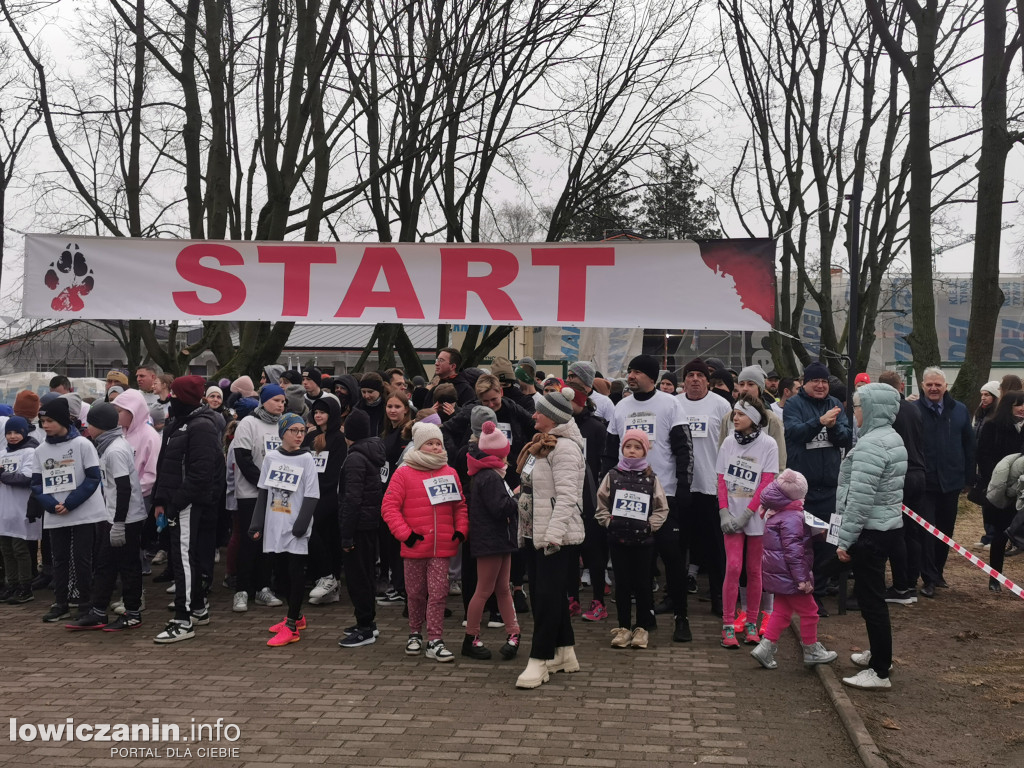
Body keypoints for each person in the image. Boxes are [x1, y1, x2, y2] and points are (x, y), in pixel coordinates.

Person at [602, 354, 693, 643]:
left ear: (651, 377)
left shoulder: (670, 403)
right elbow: (610, 451)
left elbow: (683, 449)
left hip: (662, 494)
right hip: (627, 496)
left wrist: (683, 489)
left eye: (638, 371)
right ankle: (643, 618)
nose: (631, 376)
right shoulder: (621, 406)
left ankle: (682, 617)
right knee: (638, 563)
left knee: (672, 559)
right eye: (630, 370)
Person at [835, 384, 907, 690]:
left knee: (871, 600)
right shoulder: (891, 438)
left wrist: (844, 540)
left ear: (874, 408)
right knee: (871, 598)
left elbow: (859, 500)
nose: (855, 412)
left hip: (870, 533)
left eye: (858, 406)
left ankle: (879, 671)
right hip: (888, 528)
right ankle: (880, 655)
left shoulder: (871, 446)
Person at [514, 387, 586, 688]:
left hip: (553, 536)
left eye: (539, 411)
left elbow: (569, 497)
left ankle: (540, 659)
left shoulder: (566, 448)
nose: (533, 414)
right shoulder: (541, 444)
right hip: (534, 531)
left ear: (553, 417)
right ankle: (565, 652)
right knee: (550, 594)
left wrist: (553, 536)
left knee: (545, 598)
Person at [381, 421, 468, 663]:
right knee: (416, 593)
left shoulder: (449, 472)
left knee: (439, 593)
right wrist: (406, 535)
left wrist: (461, 530)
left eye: (438, 443)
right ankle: (414, 634)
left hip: (442, 547)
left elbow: (459, 506)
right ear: (419, 445)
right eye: (430, 443)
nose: (436, 447)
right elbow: (389, 507)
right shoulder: (404, 472)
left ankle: (435, 640)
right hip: (414, 545)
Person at [151, 375, 226, 644]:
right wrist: (160, 500)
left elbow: (201, 473)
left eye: (174, 393)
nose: (169, 396)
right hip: (175, 502)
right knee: (186, 557)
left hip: (189, 503)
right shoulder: (177, 423)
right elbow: (165, 467)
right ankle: (197, 609)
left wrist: (176, 503)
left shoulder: (201, 426)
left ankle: (183, 620)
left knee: (184, 560)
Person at [65, 404, 147, 631]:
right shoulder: (106, 445)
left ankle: (133, 613)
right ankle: (99, 612)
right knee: (105, 565)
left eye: (89, 423)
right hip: (111, 515)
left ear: (99, 425)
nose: (87, 427)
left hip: (126, 518)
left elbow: (124, 488)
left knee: (128, 566)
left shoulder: (115, 450)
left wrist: (119, 523)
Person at [750, 469, 838, 669]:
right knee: (811, 612)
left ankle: (765, 647)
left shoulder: (777, 513)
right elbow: (794, 552)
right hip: (792, 577)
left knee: (782, 611)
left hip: (780, 576)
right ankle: (811, 649)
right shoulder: (794, 517)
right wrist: (802, 579)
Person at [783, 361, 852, 614]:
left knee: (829, 543)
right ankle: (800, 592)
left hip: (832, 488)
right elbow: (794, 433)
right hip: (803, 491)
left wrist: (833, 428)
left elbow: (846, 437)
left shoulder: (835, 403)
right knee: (802, 544)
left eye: (824, 381)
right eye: (816, 381)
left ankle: (818, 594)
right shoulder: (793, 404)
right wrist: (819, 422)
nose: (821, 385)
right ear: (806, 383)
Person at [31, 398, 106, 623]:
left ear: (63, 420)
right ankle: (60, 602)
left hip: (82, 512)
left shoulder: (83, 444)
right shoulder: (41, 450)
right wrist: (51, 504)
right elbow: (36, 483)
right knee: (59, 559)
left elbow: (93, 477)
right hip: (55, 513)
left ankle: (84, 602)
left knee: (82, 558)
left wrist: (71, 502)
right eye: (42, 421)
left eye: (50, 421)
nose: (45, 426)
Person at [249, 414, 320, 647]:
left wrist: (302, 524)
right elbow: (263, 491)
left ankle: (291, 626)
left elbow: (312, 494)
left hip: (295, 527)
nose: (299, 435)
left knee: (295, 573)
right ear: (283, 433)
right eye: (294, 431)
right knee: (279, 574)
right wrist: (256, 523)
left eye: (302, 430)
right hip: (274, 524)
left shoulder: (307, 459)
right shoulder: (271, 457)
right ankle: (297, 617)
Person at [595, 429, 668, 649]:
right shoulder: (612, 475)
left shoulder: (651, 478)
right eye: (628, 446)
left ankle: (642, 629)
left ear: (645, 450)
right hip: (618, 542)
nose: (632, 451)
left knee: (643, 585)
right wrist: (609, 522)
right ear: (622, 449)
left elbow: (661, 508)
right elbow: (601, 504)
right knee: (622, 585)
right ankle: (624, 627)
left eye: (637, 447)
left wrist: (649, 527)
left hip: (643, 544)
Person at [716, 396, 778, 648]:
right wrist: (723, 511)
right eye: (734, 413)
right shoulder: (729, 442)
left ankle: (752, 622)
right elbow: (720, 478)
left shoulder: (768, 444)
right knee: (733, 567)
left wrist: (747, 514)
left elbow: (767, 482)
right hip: (731, 516)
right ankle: (728, 624)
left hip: (756, 518)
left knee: (754, 571)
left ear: (753, 417)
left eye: (740, 414)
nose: (735, 418)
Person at [675, 357, 733, 619]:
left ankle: (720, 599)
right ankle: (673, 597)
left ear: (708, 381)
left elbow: (731, 444)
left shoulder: (721, 405)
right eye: (690, 375)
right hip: (681, 485)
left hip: (711, 485)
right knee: (677, 545)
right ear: (684, 380)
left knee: (715, 548)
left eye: (700, 375)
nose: (695, 379)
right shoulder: (674, 404)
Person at [462, 421, 521, 660]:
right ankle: (471, 637)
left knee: (502, 589)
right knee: (484, 590)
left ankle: (513, 632)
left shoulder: (488, 475)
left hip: (498, 540)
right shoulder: (490, 477)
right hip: (492, 541)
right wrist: (517, 497)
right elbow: (500, 509)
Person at [915, 367, 974, 598]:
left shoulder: (959, 410)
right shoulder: (914, 411)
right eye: (929, 384)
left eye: (938, 384)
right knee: (927, 533)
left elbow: (969, 445)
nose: (933, 388)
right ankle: (927, 577)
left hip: (951, 482)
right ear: (922, 386)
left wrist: (969, 478)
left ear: (945, 386)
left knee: (945, 531)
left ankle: (938, 572)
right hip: (925, 483)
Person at [230, 384, 288, 613]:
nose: (280, 405)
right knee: (250, 540)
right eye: (276, 400)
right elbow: (243, 460)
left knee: (269, 541)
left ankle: (263, 587)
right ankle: (241, 590)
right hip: (251, 494)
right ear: (264, 401)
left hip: (277, 493)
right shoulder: (248, 424)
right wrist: (264, 483)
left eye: (283, 401)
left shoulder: (283, 424)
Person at [336, 409, 387, 647]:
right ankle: (367, 622)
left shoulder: (356, 457)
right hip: (368, 523)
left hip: (358, 526)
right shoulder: (370, 453)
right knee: (365, 575)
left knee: (359, 577)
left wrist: (346, 535)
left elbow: (352, 499)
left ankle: (365, 626)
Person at [567, 381, 609, 622]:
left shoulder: (596, 428)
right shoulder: (561, 426)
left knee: (594, 552)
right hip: (568, 495)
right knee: (571, 550)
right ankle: (572, 598)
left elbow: (604, 461)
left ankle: (598, 601)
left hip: (592, 497)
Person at [973, 391, 1024, 591]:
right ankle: (995, 577)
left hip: (1022, 489)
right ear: (1007, 407)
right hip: (1000, 490)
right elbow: (983, 455)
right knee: (1000, 534)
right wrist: (998, 480)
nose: (1022, 409)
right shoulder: (993, 426)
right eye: (1018, 405)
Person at [304, 398, 347, 606]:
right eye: (316, 411)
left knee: (318, 533)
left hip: (328, 496)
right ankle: (324, 579)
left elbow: (332, 474)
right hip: (310, 494)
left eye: (323, 412)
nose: (318, 415)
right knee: (319, 535)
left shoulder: (339, 439)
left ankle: (329, 577)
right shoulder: (311, 436)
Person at [0, 417, 40, 604]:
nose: (13, 436)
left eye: (17, 432)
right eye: (9, 433)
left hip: (20, 509)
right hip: (4, 510)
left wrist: (3, 475)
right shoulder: (2, 453)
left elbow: (26, 478)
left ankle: (26, 587)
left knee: (19, 549)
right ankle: (12, 585)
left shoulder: (31, 452)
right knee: (6, 549)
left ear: (24, 433)